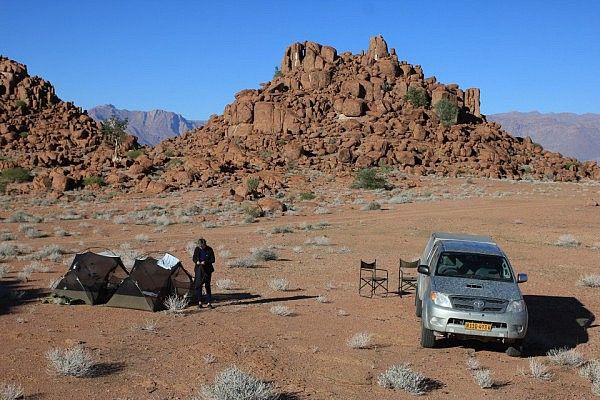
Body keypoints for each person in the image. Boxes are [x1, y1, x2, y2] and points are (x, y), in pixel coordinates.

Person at [192, 238, 216, 308]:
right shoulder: (197, 249)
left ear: (205, 244)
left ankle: (209, 303)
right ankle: (200, 302)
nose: (201, 247)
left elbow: (213, 260)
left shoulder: (209, 249)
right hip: (199, 269)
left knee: (207, 286)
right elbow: (194, 258)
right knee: (198, 286)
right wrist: (196, 261)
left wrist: (205, 262)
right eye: (200, 246)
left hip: (207, 270)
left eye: (202, 246)